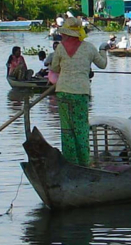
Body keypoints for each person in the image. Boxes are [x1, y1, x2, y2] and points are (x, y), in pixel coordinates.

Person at [51, 17, 108, 166]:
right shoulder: (89, 47)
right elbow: (102, 64)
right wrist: (103, 50)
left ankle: (71, 162)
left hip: (63, 92)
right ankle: (84, 163)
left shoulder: (60, 48)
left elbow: (55, 68)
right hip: (81, 93)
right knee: (81, 129)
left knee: (67, 130)